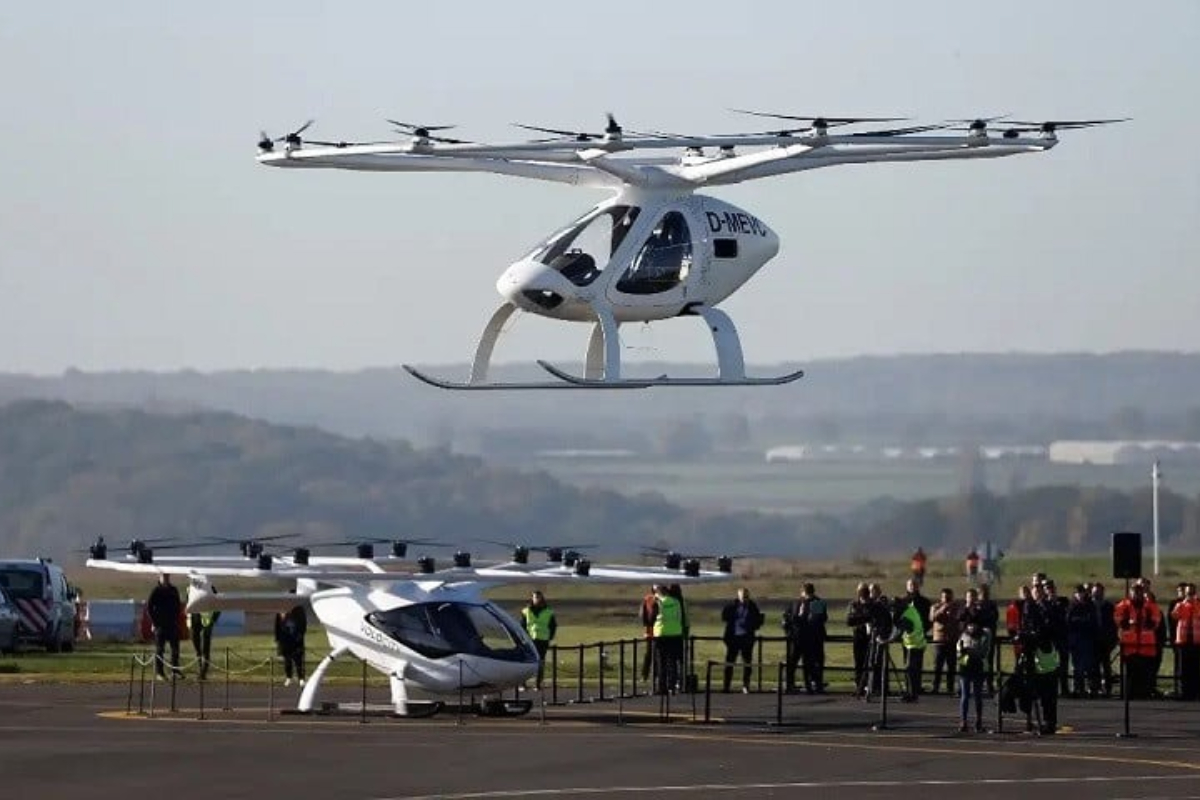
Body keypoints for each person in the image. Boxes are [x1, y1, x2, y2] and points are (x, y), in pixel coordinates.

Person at [1114, 582, 1162, 700]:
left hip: (1146, 647)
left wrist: (1144, 622)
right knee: (1129, 674)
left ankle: (1144, 695)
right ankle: (1128, 695)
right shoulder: (1123, 606)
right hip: (1129, 647)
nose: (1137, 595)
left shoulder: (1150, 606)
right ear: (1130, 593)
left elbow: (1155, 622)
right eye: (1134, 592)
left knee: (1144, 674)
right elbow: (1118, 620)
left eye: (1139, 592)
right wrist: (1129, 623)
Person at [720, 587, 763, 693]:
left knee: (747, 663)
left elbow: (758, 621)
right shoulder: (732, 606)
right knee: (729, 663)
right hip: (733, 638)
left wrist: (750, 624)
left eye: (746, 597)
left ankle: (746, 685)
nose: (745, 599)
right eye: (743, 597)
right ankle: (726, 686)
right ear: (738, 596)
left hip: (746, 638)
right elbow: (724, 616)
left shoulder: (752, 607)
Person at [146, 573, 183, 681]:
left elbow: (178, 605)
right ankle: (160, 673)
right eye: (164, 577)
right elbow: (149, 607)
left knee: (175, 649)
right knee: (160, 650)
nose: (166, 579)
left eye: (167, 577)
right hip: (160, 625)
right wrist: (154, 621)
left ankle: (175, 671)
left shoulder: (173, 590)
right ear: (160, 578)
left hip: (172, 624)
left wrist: (176, 620)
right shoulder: (156, 591)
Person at [956, 621, 991, 733]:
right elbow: (958, 650)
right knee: (965, 696)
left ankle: (978, 721)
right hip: (966, 667)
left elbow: (984, 652)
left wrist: (969, 651)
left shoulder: (984, 635)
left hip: (976, 667)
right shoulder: (964, 635)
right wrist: (962, 651)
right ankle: (964, 721)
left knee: (977, 695)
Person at [651, 584, 685, 695]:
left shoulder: (658, 603)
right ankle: (672, 686)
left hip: (661, 634)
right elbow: (680, 616)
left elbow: (652, 617)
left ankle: (662, 687)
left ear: (659, 593)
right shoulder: (676, 602)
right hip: (675, 633)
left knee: (661, 662)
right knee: (672, 661)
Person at [1065, 584, 1097, 698]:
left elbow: (1092, 621)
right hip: (1075, 640)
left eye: (1081, 592)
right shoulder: (1072, 606)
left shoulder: (1089, 605)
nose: (1080, 595)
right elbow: (1068, 621)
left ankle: (1091, 689)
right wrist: (1082, 621)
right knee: (1077, 666)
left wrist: (1080, 621)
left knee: (1088, 665)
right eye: (1078, 593)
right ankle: (1079, 688)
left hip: (1087, 639)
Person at [522, 590, 557, 690]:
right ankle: (523, 684)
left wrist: (550, 637)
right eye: (535, 597)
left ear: (542, 598)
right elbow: (522, 625)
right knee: (526, 662)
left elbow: (553, 626)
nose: (537, 599)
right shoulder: (526, 611)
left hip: (542, 640)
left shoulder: (548, 611)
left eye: (539, 597)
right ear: (532, 598)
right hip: (530, 640)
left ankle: (537, 684)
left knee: (540, 662)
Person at [894, 594, 927, 702]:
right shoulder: (911, 610)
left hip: (914, 645)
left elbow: (898, 634)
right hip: (918, 644)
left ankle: (912, 694)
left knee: (910, 671)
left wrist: (885, 640)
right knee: (913, 671)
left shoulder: (906, 617)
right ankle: (912, 693)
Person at [1171, 583, 1200, 701]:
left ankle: (1196, 692)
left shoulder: (1198, 605)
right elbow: (1175, 616)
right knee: (1184, 669)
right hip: (1183, 641)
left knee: (1196, 669)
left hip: (1196, 641)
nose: (1190, 595)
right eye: (1188, 593)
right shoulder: (1180, 605)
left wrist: (1194, 603)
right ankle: (1185, 692)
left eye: (1192, 593)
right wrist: (1185, 603)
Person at [930, 588, 961, 695]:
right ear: (941, 597)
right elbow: (932, 618)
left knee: (951, 666)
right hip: (940, 640)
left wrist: (951, 610)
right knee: (938, 665)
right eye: (945, 597)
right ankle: (935, 687)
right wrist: (942, 609)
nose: (947, 599)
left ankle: (950, 687)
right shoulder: (935, 607)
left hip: (952, 640)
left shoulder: (956, 607)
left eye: (949, 597)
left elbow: (959, 618)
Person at [188, 585, 221, 681]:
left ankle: (203, 672)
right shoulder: (191, 588)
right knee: (197, 648)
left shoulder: (211, 589)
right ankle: (199, 668)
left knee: (205, 648)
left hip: (207, 622)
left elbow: (218, 605)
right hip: (194, 621)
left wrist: (213, 619)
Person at [845, 583, 873, 696]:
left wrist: (861, 618)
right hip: (858, 636)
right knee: (858, 663)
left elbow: (873, 616)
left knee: (869, 663)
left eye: (865, 591)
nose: (863, 593)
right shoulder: (854, 604)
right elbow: (849, 620)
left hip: (870, 637)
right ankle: (859, 687)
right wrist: (864, 619)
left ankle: (868, 686)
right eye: (861, 591)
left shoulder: (872, 604)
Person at [1091, 582, 1118, 696]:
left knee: (1106, 666)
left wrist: (1113, 639)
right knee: (1094, 666)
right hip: (1093, 640)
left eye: (1099, 591)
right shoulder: (1089, 606)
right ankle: (1095, 688)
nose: (1097, 594)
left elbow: (1114, 624)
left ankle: (1108, 688)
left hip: (1106, 640)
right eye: (1095, 592)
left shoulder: (1109, 607)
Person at [275, 604, 308, 688]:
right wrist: (278, 638)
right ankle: (289, 677)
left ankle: (301, 678)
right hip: (285, 640)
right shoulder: (281, 609)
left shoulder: (299, 610)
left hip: (296, 640)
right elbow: (277, 625)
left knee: (298, 661)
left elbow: (303, 624)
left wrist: (300, 636)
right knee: (287, 661)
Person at [639, 586, 658, 686]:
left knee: (651, 654)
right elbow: (644, 615)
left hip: (655, 631)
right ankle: (646, 675)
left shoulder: (650, 599)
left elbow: (643, 615)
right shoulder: (650, 599)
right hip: (653, 631)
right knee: (650, 654)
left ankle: (649, 675)